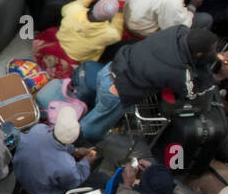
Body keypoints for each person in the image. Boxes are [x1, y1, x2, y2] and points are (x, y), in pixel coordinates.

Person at [79, 26, 220, 144]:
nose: (215, 52)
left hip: (109, 70)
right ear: (199, 54)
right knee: (90, 130)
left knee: (100, 109)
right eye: (213, 50)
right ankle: (74, 147)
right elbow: (193, 93)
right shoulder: (179, 71)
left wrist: (216, 57)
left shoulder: (177, 31)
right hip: (115, 93)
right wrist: (217, 77)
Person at [11, 107, 95, 194]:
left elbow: (54, 144)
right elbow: (73, 182)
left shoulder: (38, 129)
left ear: (55, 127)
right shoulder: (67, 165)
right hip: (40, 192)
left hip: (19, 173)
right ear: (73, 139)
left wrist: (73, 151)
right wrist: (85, 164)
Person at [56, 0, 126, 64]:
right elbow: (118, 32)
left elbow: (65, 9)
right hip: (78, 59)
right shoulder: (109, 34)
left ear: (95, 5)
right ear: (111, 18)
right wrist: (121, 6)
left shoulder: (73, 10)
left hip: (59, 42)